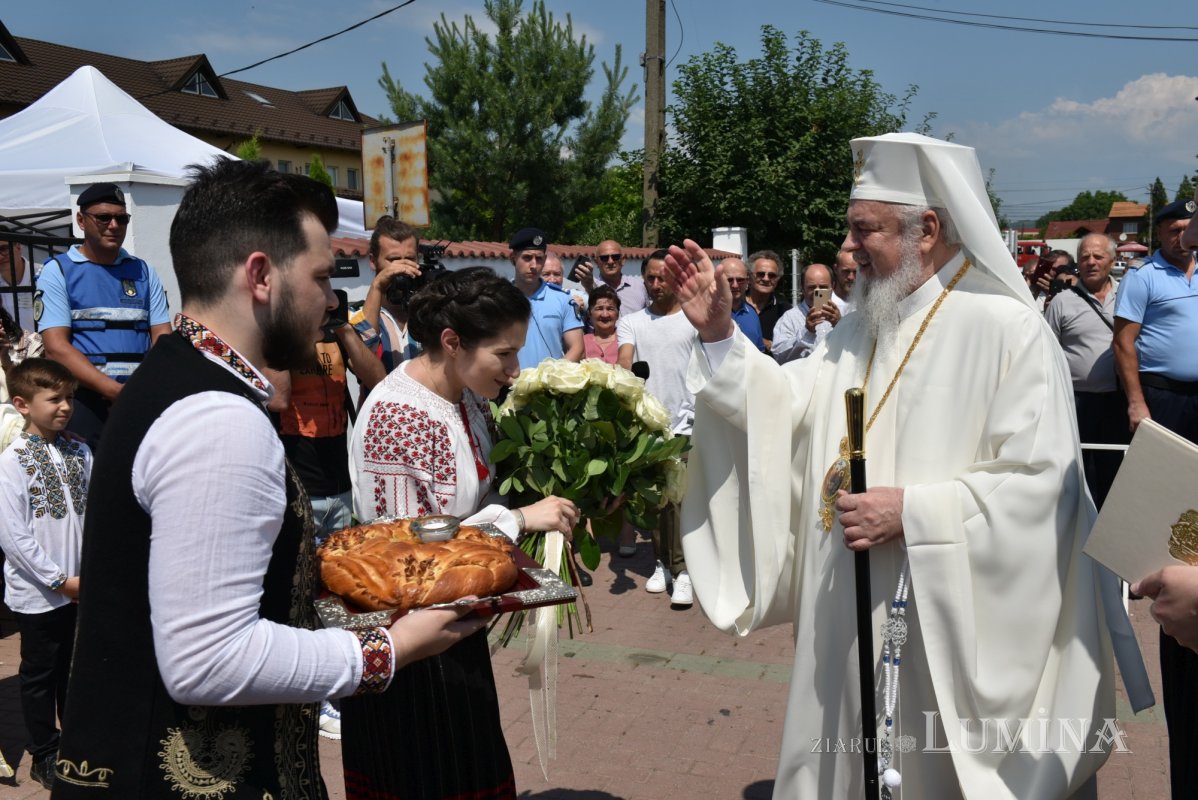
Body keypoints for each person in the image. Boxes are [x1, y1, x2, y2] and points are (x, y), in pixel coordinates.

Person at [666, 132, 1148, 798]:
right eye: (850, 231)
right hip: (847, 607)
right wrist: (719, 337)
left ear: (928, 229)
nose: (850, 248)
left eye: (867, 231)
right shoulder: (864, 325)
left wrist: (915, 513)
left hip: (943, 624)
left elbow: (1045, 491)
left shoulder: (1007, 331)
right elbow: (790, 408)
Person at [53, 158, 482, 798]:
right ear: (260, 275)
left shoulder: (172, 374)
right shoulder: (219, 418)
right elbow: (207, 660)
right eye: (316, 277)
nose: (330, 300)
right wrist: (388, 650)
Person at [345, 266, 580, 800]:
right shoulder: (397, 414)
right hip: (408, 643)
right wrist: (520, 520)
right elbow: (403, 554)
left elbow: (484, 492)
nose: (515, 370)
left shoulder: (468, 396)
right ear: (452, 342)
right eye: (504, 354)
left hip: (455, 622)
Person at [263, 305, 387, 740]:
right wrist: (298, 328)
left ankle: (332, 684)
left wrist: (342, 329)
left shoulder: (343, 328)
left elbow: (377, 380)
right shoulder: (279, 329)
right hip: (300, 476)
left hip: (339, 480)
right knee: (301, 592)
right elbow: (277, 397)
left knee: (337, 588)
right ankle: (308, 698)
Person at [1114, 196, 1198, 797]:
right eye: (1174, 228)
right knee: (1170, 506)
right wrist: (1139, 404)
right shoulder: (1146, 277)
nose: (1182, 236)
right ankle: (1159, 569)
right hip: (1165, 398)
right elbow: (1126, 343)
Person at [0, 358, 90, 790]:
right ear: (22, 404)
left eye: (69, 397)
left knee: (75, 670)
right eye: (53, 398)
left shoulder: (81, 450)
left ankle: (76, 743)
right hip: (41, 593)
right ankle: (45, 751)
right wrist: (58, 580)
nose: (65, 406)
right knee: (39, 674)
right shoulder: (12, 462)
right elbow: (14, 536)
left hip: (81, 588)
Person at [35, 183, 172, 449]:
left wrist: (142, 389)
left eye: (121, 219)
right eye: (103, 217)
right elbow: (56, 348)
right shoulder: (58, 271)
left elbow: (162, 339)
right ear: (81, 220)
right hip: (85, 402)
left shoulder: (143, 271)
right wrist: (113, 390)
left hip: (138, 398)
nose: (113, 225)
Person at [617, 249, 696, 606]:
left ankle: (682, 572)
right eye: (649, 277)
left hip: (687, 422)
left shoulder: (695, 319)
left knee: (678, 502)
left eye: (662, 277)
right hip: (648, 425)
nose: (655, 284)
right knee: (655, 502)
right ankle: (663, 563)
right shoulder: (631, 321)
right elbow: (624, 360)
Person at [1044, 233, 1125, 509]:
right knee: (1077, 469)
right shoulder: (1061, 302)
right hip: (1075, 402)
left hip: (1117, 400)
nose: (1091, 262)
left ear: (1112, 260)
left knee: (1113, 470)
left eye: (1098, 256)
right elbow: (1047, 352)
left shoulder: (1127, 296)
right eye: (1084, 257)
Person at [349, 215, 422, 374]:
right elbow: (359, 363)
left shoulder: (427, 311)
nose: (402, 266)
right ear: (373, 261)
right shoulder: (356, 314)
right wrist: (377, 286)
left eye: (410, 258)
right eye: (393, 260)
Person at [510, 227, 583, 368]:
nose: (534, 265)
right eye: (527, 258)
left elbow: (577, 348)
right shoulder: (499, 297)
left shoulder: (564, 300)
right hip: (506, 384)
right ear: (513, 259)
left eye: (539, 259)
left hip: (549, 386)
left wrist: (550, 377)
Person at [771, 262, 843, 364]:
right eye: (811, 287)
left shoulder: (844, 313)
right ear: (802, 288)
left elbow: (855, 351)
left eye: (823, 287)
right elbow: (779, 357)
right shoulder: (790, 317)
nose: (817, 292)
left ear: (833, 287)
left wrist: (841, 325)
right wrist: (807, 332)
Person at [574, 239, 649, 314]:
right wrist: (589, 287)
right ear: (596, 262)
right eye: (604, 258)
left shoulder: (639, 286)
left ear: (623, 260)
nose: (610, 261)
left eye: (615, 257)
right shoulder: (585, 288)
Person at [745, 249, 791, 351]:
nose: (766, 279)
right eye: (761, 274)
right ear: (749, 276)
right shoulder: (735, 305)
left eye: (772, 275)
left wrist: (770, 344)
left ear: (777, 280)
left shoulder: (785, 310)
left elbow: (790, 346)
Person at [721, 257, 766, 351]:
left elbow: (759, 352)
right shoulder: (708, 313)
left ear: (747, 281)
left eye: (740, 280)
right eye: (729, 280)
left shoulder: (752, 314)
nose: (735, 285)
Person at [582, 284, 621, 364]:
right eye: (599, 309)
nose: (605, 314)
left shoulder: (626, 341)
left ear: (617, 314)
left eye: (610, 309)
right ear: (590, 313)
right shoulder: (581, 342)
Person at [1, 239, 35, 328]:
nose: (0, 256)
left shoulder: (44, 274)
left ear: (18, 247)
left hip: (45, 341)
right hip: (12, 341)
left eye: (4, 249)